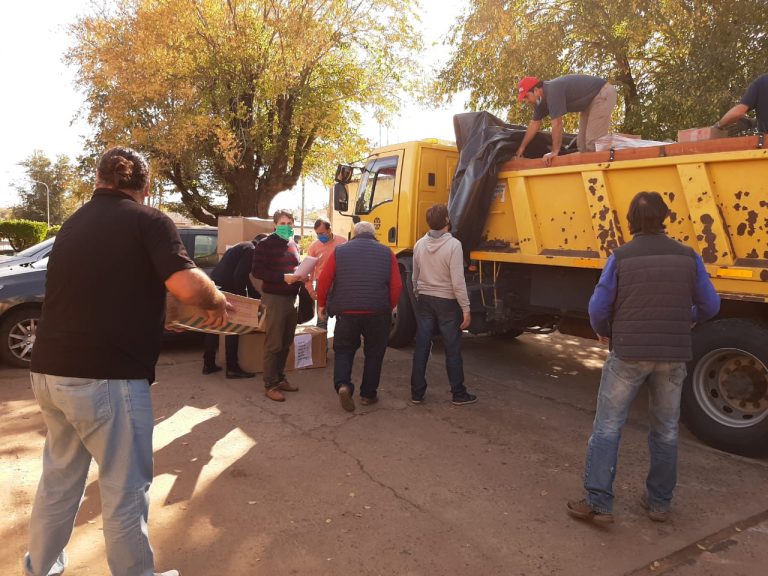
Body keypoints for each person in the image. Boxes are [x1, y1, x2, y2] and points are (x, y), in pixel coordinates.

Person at [25, 147, 228, 576]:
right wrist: (216, 300)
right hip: (106, 378)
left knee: (59, 483)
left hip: (49, 372)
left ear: (98, 180)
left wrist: (159, 312)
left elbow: (106, 288)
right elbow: (189, 286)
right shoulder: (148, 220)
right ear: (146, 188)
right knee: (125, 492)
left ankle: (38, 569)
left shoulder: (73, 224)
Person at [566, 191, 720, 525]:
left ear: (631, 221)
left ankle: (598, 503)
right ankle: (659, 504)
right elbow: (710, 305)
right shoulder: (688, 256)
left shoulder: (620, 257)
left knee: (607, 427)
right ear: (665, 218)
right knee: (665, 430)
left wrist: (603, 329)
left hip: (629, 353)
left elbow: (598, 307)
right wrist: (687, 315)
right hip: (672, 355)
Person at [316, 221, 402, 412]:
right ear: (374, 234)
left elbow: (324, 280)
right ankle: (368, 394)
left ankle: (343, 385)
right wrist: (390, 306)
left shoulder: (340, 251)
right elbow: (396, 285)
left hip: (347, 313)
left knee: (344, 350)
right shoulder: (387, 253)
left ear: (354, 234)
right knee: (374, 353)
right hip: (377, 313)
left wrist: (322, 304)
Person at [410, 204, 476, 406]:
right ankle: (458, 393)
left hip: (425, 299)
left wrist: (417, 291)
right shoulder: (454, 245)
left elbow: (415, 275)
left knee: (422, 345)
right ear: (447, 220)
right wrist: (466, 308)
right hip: (447, 301)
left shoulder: (419, 244)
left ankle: (417, 393)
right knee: (452, 347)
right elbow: (458, 281)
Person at [251, 209, 303, 402]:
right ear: (274, 225)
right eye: (283, 223)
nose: (287, 227)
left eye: (290, 223)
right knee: (274, 343)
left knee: (286, 342)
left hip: (292, 298)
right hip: (275, 299)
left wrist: (300, 273)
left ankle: (280, 378)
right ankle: (270, 384)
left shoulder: (293, 243)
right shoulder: (265, 245)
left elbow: (294, 266)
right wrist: (283, 277)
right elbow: (257, 271)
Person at [514, 74, 618, 165]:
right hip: (588, 103)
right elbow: (534, 124)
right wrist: (521, 148)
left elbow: (557, 124)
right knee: (582, 146)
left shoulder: (552, 91)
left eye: (527, 97)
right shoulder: (540, 103)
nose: (526, 101)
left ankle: (622, 146)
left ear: (536, 90)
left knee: (593, 144)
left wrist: (555, 152)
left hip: (602, 93)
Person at [202, 238, 262, 378]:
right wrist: (242, 300)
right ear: (260, 244)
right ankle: (232, 368)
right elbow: (239, 276)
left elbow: (244, 276)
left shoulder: (242, 246)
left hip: (216, 285)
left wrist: (255, 296)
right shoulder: (252, 250)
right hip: (228, 289)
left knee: (213, 326)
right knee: (233, 328)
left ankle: (208, 364)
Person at [304, 217, 346, 329]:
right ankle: (322, 346)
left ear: (329, 230)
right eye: (317, 234)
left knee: (342, 320)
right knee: (322, 319)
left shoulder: (343, 242)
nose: (319, 236)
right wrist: (311, 290)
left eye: (322, 233)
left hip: (340, 285)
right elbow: (309, 270)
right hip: (322, 285)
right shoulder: (314, 247)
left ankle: (339, 346)